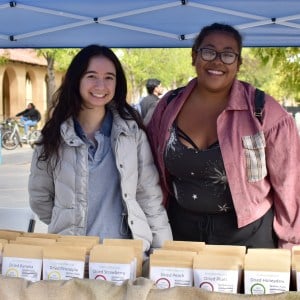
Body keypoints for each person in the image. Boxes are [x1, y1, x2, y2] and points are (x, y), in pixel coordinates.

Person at [147, 23, 300, 250]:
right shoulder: (167, 107)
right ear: (194, 56)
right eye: (208, 51)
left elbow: (289, 184)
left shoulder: (264, 110)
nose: (218, 61)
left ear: (238, 64)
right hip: (179, 232)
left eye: (228, 55)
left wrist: (290, 244)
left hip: (249, 235)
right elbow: (150, 172)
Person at [28, 45, 172, 255]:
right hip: (72, 256)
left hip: (125, 255)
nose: (100, 85)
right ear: (77, 79)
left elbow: (148, 196)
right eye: (92, 76)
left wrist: (162, 250)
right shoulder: (52, 138)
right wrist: (68, 222)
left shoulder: (132, 135)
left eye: (109, 77)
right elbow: (40, 198)